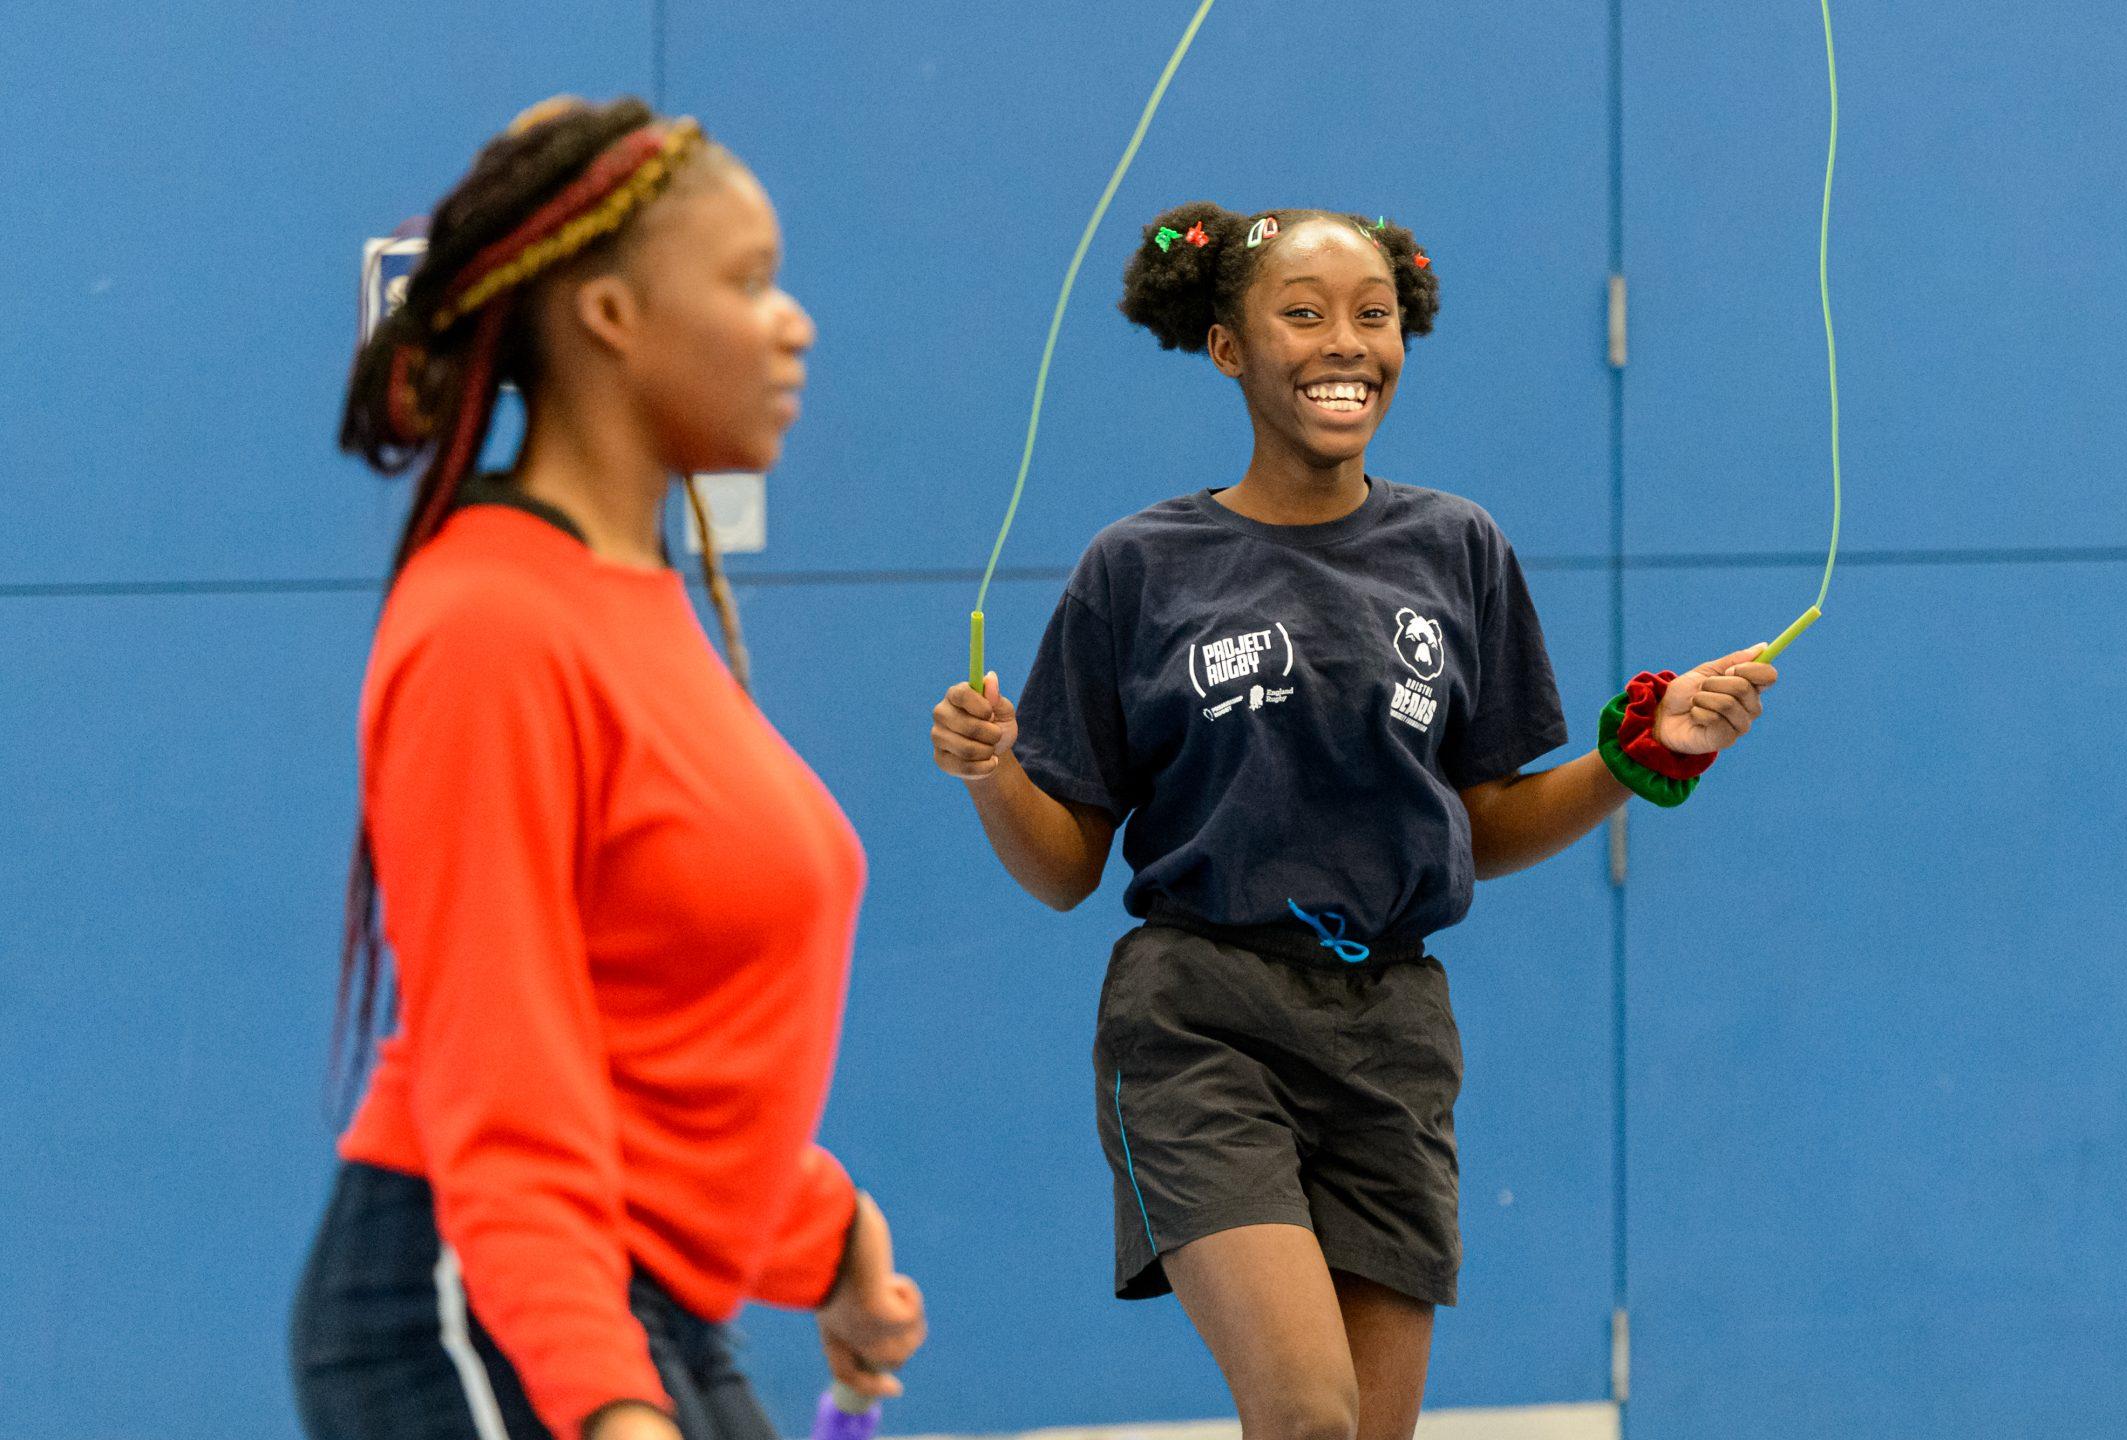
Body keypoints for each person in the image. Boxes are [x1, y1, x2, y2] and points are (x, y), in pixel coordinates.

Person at [929, 201, 1776, 1440]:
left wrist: (1647, 751)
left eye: (1372, 316)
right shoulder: (1138, 568)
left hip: (1389, 1033)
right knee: (1309, 1414)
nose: (1346, 344)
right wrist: (994, 773)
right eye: (1305, 313)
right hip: (1200, 1022)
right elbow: (1063, 870)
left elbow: (1480, 822)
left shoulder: (1457, 548)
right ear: (1228, 348)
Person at [292, 96, 922, 1440]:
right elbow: (505, 1077)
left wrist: (828, 1234)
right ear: (612, 317)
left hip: (637, 1294)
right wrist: (607, 1405)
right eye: (749, 282)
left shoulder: (627, 596)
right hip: (473, 1301)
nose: (793, 322)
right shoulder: (490, 625)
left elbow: (639, 1039)